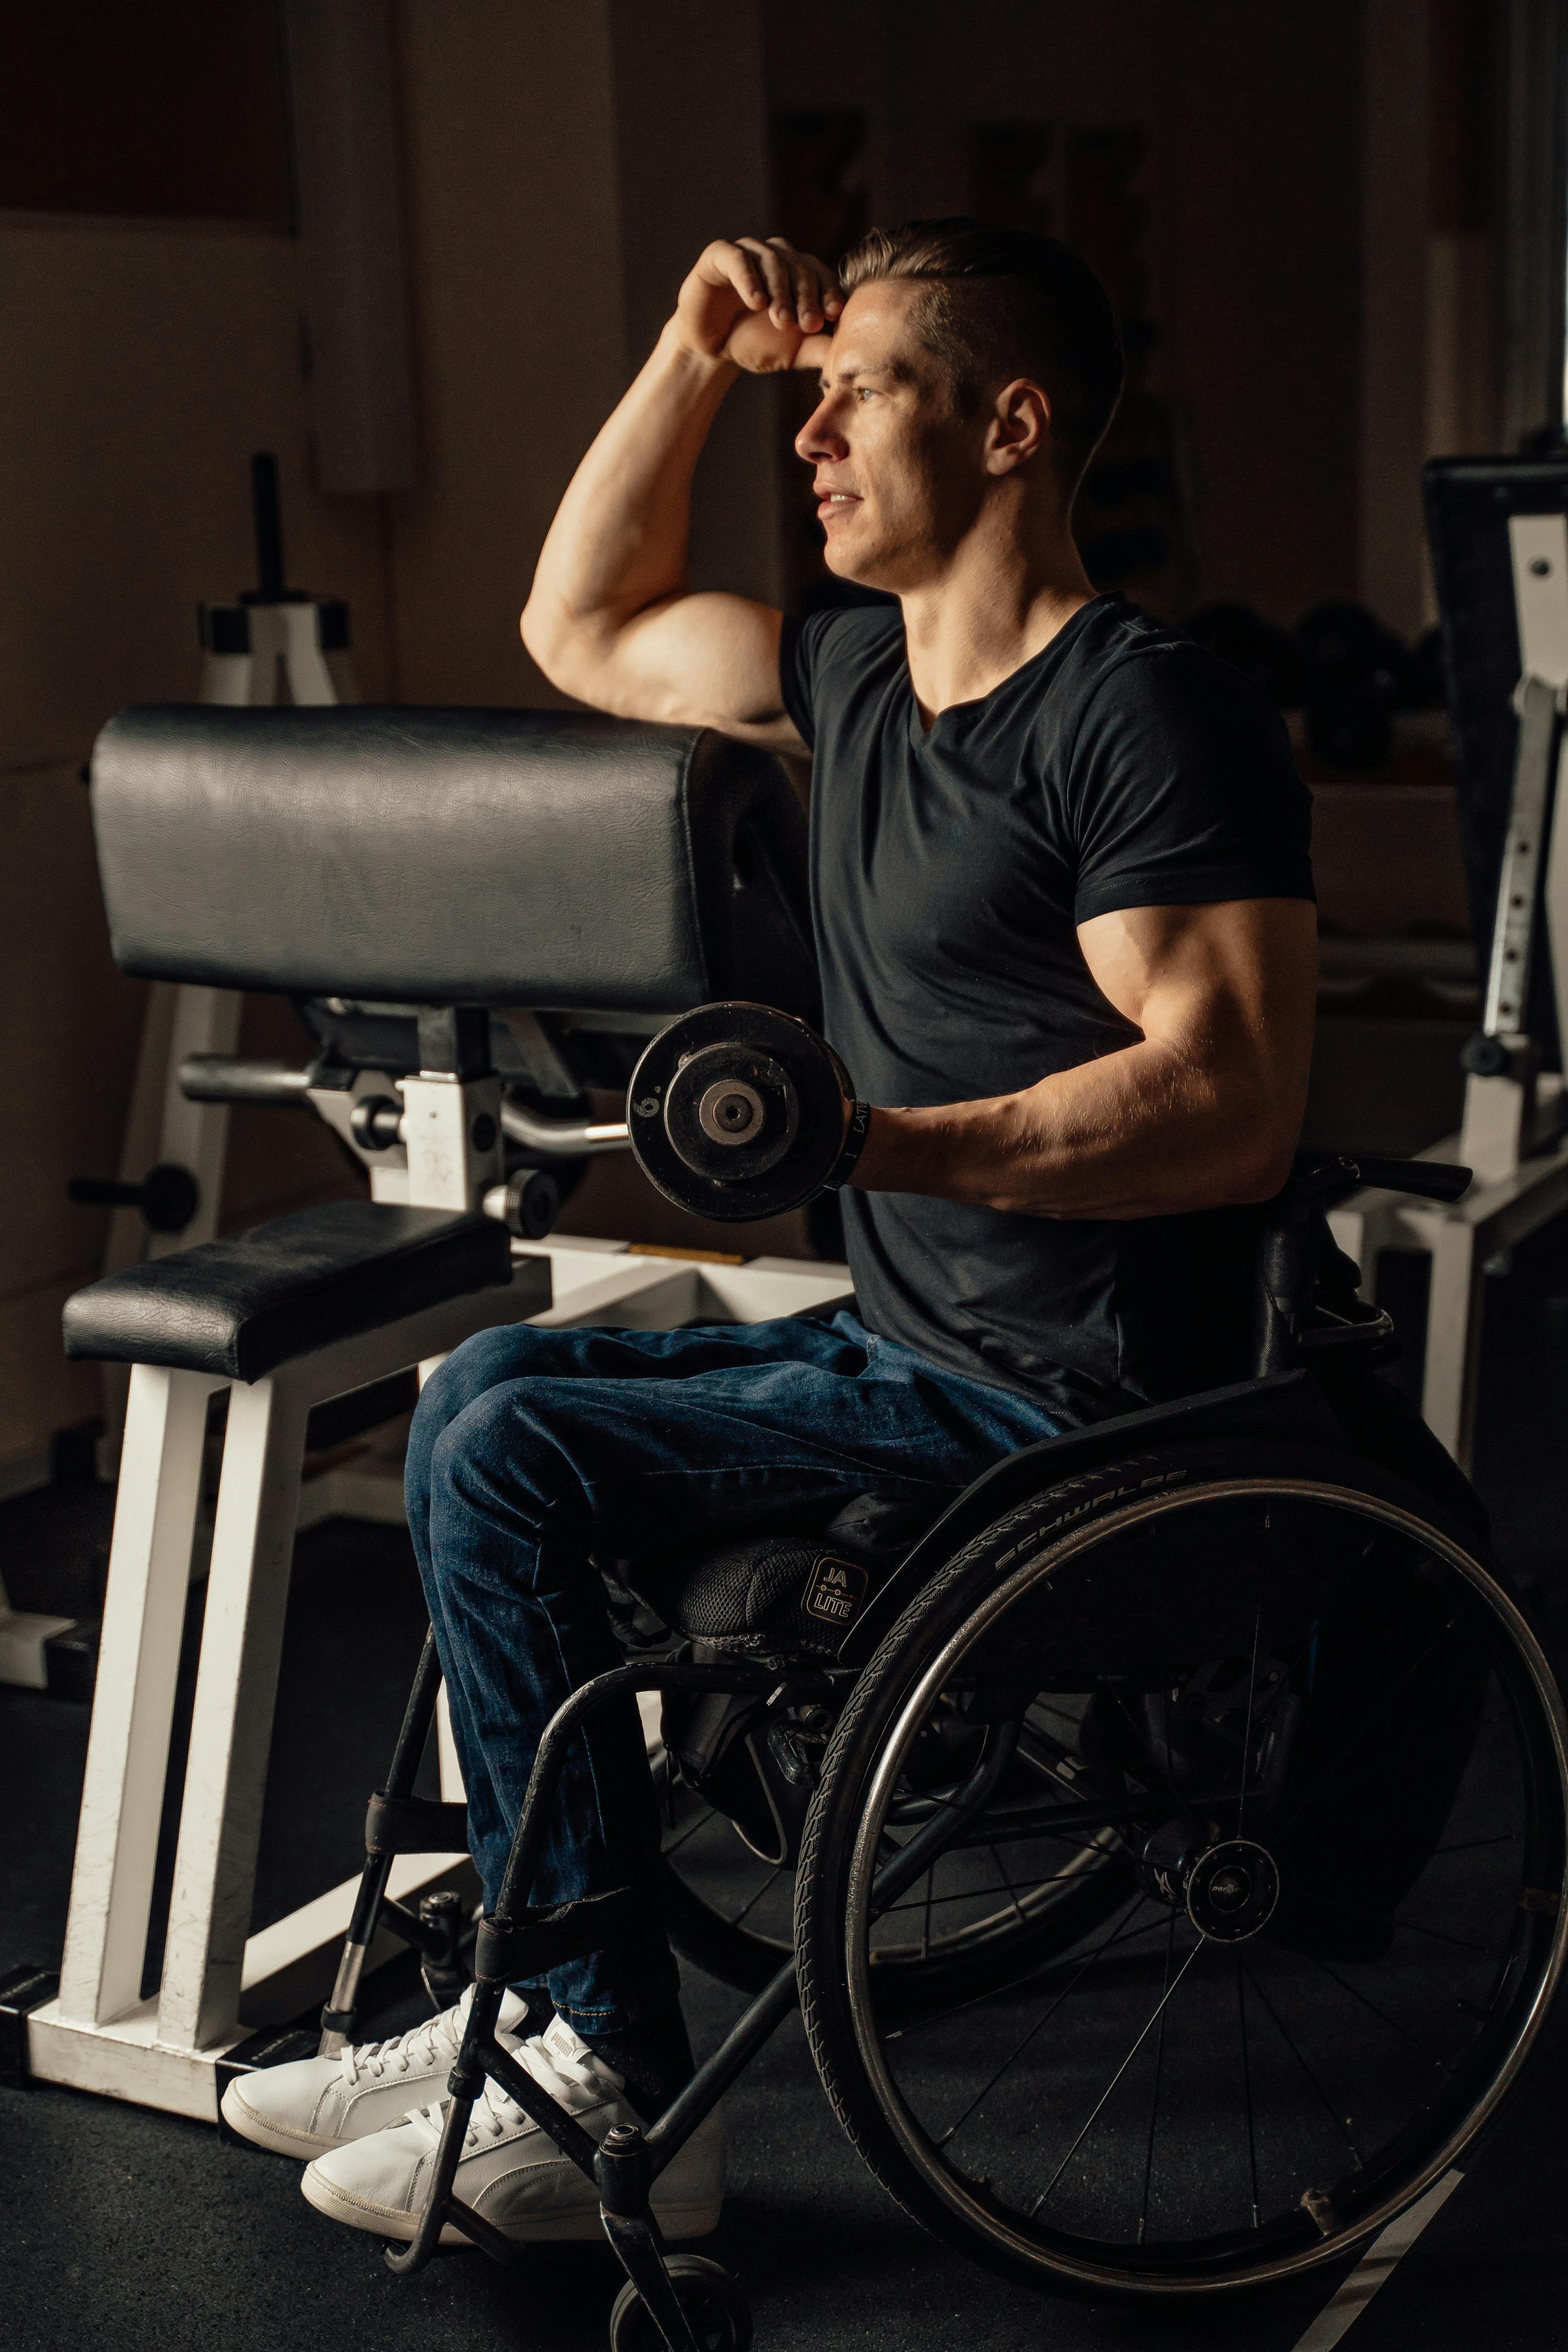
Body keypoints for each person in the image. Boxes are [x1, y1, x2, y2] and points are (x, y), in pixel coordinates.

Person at [221, 219, 1316, 2246]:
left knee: (501, 1436)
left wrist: (869, 1137)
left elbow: (1229, 1108)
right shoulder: (846, 674)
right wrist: (684, 352)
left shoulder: (1144, 717)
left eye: (857, 388)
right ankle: (541, 2002)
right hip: (903, 1351)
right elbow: (577, 620)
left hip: (1075, 1410)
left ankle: (618, 2078)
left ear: (1009, 425)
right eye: (799, 397)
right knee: (493, 1385)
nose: (804, 432)